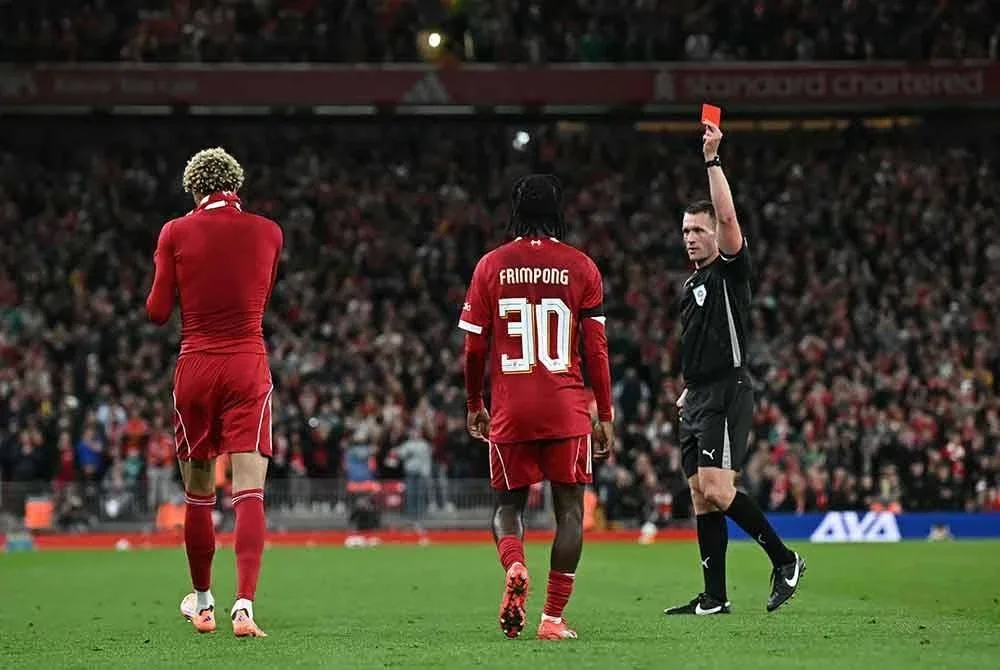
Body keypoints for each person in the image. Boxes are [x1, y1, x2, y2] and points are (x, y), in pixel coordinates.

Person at [459, 174, 615, 641]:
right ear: (558, 213)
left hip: (511, 409)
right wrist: (604, 413)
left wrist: (474, 403)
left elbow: (472, 351)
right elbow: (597, 350)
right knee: (569, 510)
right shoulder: (582, 267)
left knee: (508, 507)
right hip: (566, 409)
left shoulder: (490, 266)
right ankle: (550, 618)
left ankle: (515, 564)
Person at [664, 124, 805, 617]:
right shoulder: (692, 283)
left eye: (698, 230)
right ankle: (714, 597)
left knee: (720, 489)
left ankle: (786, 560)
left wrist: (711, 160)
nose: (690, 238)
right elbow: (700, 345)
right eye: (685, 231)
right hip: (700, 393)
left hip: (728, 391)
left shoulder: (729, 269)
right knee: (701, 495)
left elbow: (726, 213)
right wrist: (687, 389)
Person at [147, 147, 282, 637]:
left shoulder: (175, 232)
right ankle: (244, 606)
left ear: (194, 188)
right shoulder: (269, 231)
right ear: (236, 185)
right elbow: (260, 296)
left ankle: (203, 603)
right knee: (249, 492)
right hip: (248, 362)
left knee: (199, 495)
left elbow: (157, 311)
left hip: (196, 365)